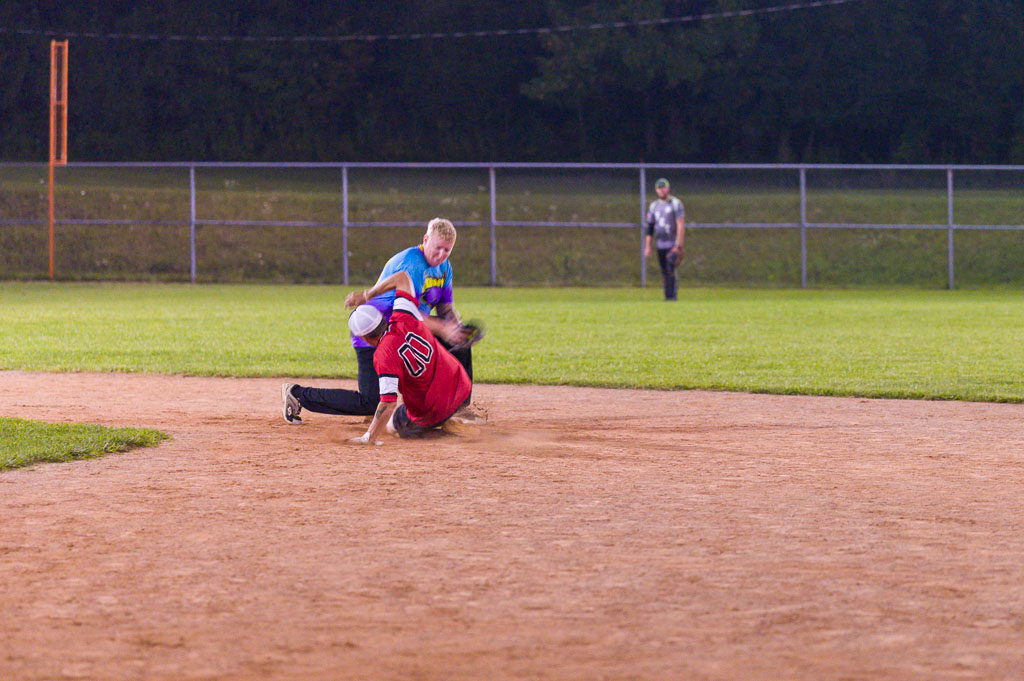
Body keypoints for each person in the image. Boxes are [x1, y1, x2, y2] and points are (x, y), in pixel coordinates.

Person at [282, 218, 482, 424]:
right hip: (374, 332)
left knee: (459, 340)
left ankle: (458, 409)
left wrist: (455, 326)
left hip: (405, 332)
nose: (441, 255)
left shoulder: (444, 267)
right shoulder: (412, 263)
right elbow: (409, 313)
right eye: (438, 247)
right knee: (370, 402)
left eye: (447, 250)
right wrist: (444, 328)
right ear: (425, 240)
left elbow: (445, 307)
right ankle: (298, 394)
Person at [346, 270, 472, 445]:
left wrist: (369, 437)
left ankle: (440, 430)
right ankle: (455, 417)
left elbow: (388, 403)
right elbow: (402, 277)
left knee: (392, 425)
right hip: (461, 385)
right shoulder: (406, 315)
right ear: (382, 318)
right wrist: (367, 295)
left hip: (434, 409)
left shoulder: (383, 355)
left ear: (364, 338)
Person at [644, 178, 685, 301]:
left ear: (668, 188)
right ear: (656, 190)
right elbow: (650, 227)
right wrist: (648, 246)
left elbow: (680, 224)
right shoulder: (654, 206)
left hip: (672, 243)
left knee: (670, 267)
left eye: (663, 187)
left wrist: (679, 245)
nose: (661, 190)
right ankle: (667, 295)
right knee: (663, 270)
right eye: (659, 188)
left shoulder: (675, 204)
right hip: (660, 244)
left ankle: (672, 296)